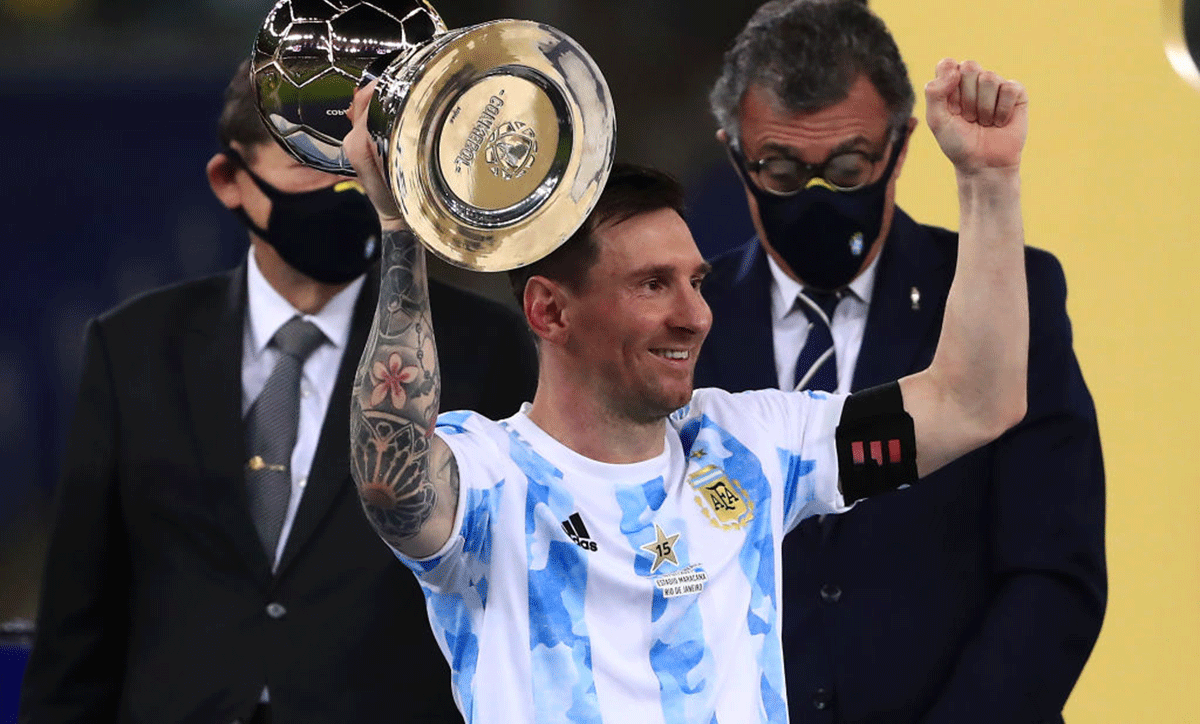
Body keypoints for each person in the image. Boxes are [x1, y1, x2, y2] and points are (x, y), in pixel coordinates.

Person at [340, 53, 1029, 723]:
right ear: (549, 310)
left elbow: (972, 403)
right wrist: (401, 230)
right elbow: (388, 476)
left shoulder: (752, 444)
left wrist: (988, 180)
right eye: (652, 285)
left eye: (696, 281)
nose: (695, 316)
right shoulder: (488, 477)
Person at [18, 60, 537, 724]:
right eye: (308, 155)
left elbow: (521, 584)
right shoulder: (133, 348)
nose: (341, 180)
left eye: (355, 153)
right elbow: (78, 620)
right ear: (229, 180)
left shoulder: (478, 346)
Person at [695, 0, 1106, 723]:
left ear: (901, 145)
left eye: (848, 167)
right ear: (734, 152)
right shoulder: (681, 322)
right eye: (783, 172)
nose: (818, 196)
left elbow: (1052, 572)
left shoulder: (1007, 298)